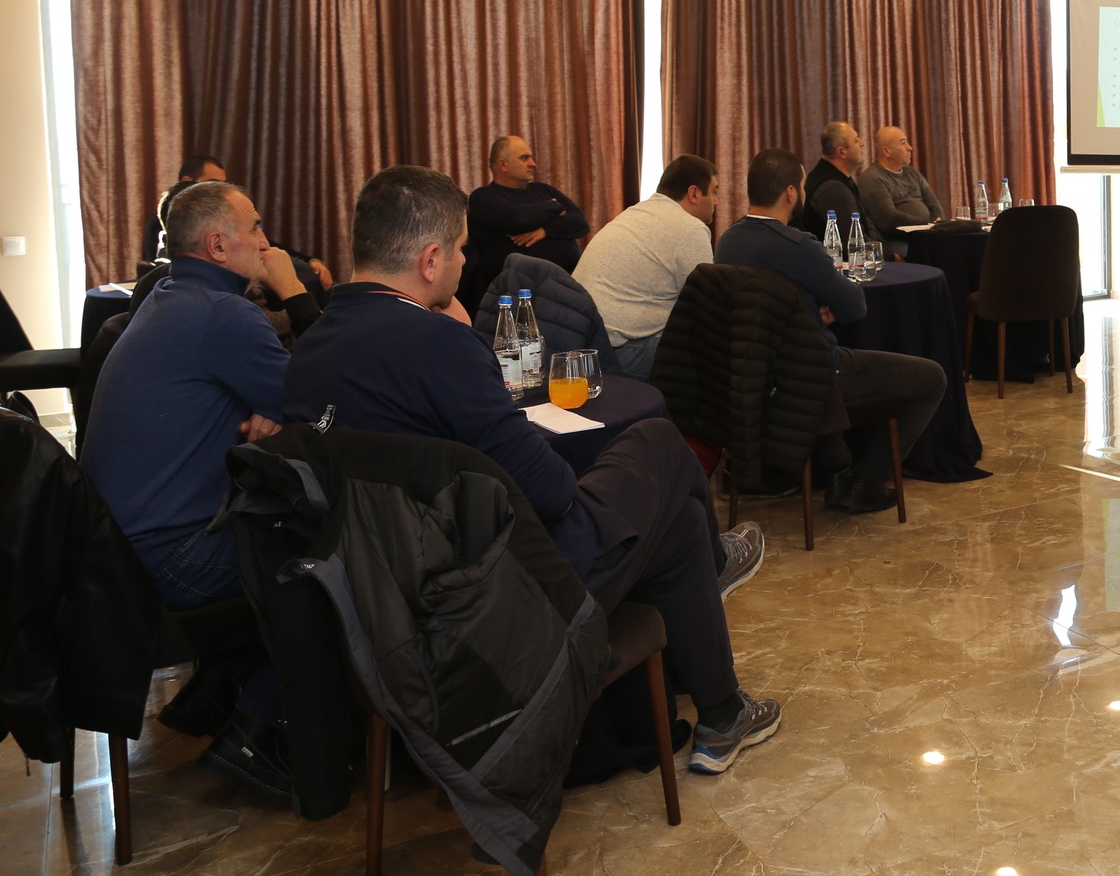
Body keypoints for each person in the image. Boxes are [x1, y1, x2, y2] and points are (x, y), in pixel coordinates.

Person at [283, 166, 782, 775]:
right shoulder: (438, 345)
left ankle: (723, 713)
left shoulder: (308, 352)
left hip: (388, 604)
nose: (466, 262)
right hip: (491, 597)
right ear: (431, 260)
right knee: (656, 442)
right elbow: (552, 492)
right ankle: (717, 579)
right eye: (461, 249)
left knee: (673, 523)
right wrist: (467, 345)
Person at [82, 180, 306, 803]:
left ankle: (217, 689)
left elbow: (284, 398)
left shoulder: (169, 297)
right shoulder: (223, 314)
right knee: (331, 559)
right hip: (166, 561)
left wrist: (276, 407)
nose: (266, 241)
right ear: (217, 246)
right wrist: (295, 293)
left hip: (115, 555)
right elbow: (324, 398)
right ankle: (260, 729)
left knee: (276, 524)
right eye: (255, 227)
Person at [715, 148, 946, 513]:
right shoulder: (798, 245)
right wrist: (822, 310)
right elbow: (855, 308)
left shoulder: (728, 240)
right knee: (933, 378)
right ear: (791, 192)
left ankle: (839, 467)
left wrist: (805, 311)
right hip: (813, 373)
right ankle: (865, 480)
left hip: (755, 373)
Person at [573, 155, 718, 379]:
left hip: (580, 344)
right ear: (694, 193)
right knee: (714, 346)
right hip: (617, 354)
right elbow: (705, 306)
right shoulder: (691, 229)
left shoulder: (633, 213)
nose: (717, 202)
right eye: (715, 192)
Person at [463, 134, 589, 310]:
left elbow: (580, 221)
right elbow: (516, 219)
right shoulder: (483, 198)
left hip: (566, 286)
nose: (532, 163)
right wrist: (553, 206)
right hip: (516, 297)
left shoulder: (543, 190)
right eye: (524, 158)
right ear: (503, 165)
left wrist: (545, 230)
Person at [857, 126, 945, 257]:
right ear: (886, 151)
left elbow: (935, 206)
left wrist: (937, 224)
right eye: (903, 143)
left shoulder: (912, 173)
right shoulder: (872, 178)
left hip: (927, 235)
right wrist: (930, 224)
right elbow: (889, 220)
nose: (910, 147)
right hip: (898, 242)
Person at [141, 153, 225, 263]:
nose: (220, 191)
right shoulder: (163, 222)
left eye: (223, 185)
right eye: (212, 183)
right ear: (187, 181)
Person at [799, 120, 872, 240]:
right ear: (842, 152)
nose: (862, 143)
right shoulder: (833, 189)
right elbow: (852, 240)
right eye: (856, 141)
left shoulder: (835, 177)